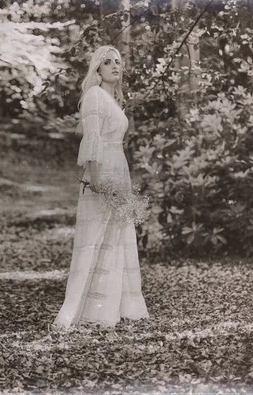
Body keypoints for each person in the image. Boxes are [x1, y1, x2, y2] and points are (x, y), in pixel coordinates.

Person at [54, 45, 149, 328]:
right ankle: (84, 309)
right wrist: (95, 179)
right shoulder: (94, 96)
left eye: (118, 62)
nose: (115, 66)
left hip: (118, 165)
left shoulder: (112, 99)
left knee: (116, 235)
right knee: (95, 235)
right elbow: (92, 138)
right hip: (103, 169)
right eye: (108, 62)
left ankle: (111, 306)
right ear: (97, 68)